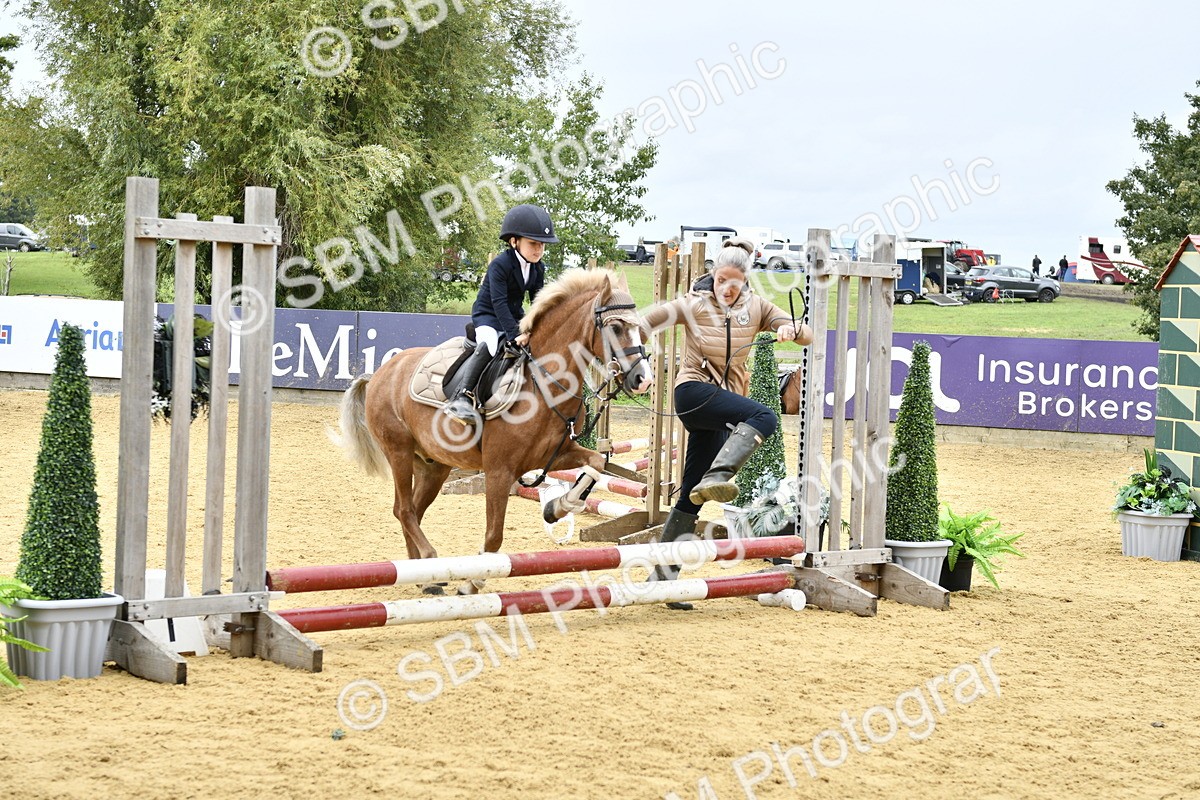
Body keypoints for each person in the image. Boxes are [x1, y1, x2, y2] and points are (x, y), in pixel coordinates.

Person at [639, 237, 813, 609]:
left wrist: (791, 331)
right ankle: (718, 477)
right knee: (763, 415)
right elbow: (645, 322)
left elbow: (807, 334)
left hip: (716, 410)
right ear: (714, 276)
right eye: (720, 280)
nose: (726, 288)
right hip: (691, 393)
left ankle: (662, 581)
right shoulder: (694, 304)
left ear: (746, 280)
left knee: (690, 495)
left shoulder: (759, 308)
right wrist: (635, 357)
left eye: (734, 282)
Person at [443, 204, 556, 425]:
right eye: (533, 243)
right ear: (514, 241)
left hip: (513, 316)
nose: (538, 249)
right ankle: (462, 397)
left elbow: (536, 301)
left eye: (542, 244)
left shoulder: (538, 268)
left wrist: (537, 326)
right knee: (491, 344)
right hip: (488, 315)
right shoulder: (500, 265)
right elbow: (498, 302)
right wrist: (515, 334)